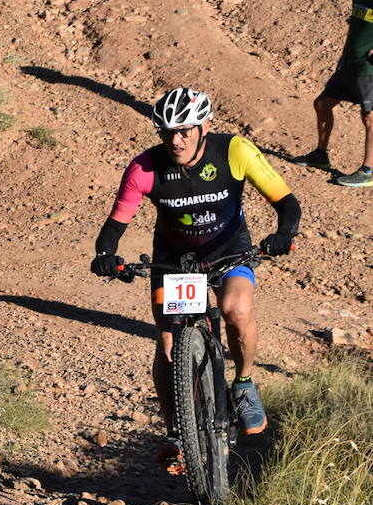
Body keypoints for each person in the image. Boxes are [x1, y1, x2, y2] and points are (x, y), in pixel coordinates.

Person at [91, 87, 301, 469]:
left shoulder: (234, 151)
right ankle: (177, 432)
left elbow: (286, 202)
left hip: (229, 250)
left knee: (236, 310)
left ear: (204, 126)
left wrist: (284, 232)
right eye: (167, 132)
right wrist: (106, 255)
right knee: (170, 345)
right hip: (174, 259)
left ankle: (244, 384)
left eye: (185, 130)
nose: (176, 140)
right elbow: (116, 222)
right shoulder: (145, 167)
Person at [292, 0, 373, 186]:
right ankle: (320, 155)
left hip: (369, 70)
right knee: (322, 103)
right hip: (349, 65)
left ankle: (368, 171)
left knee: (369, 117)